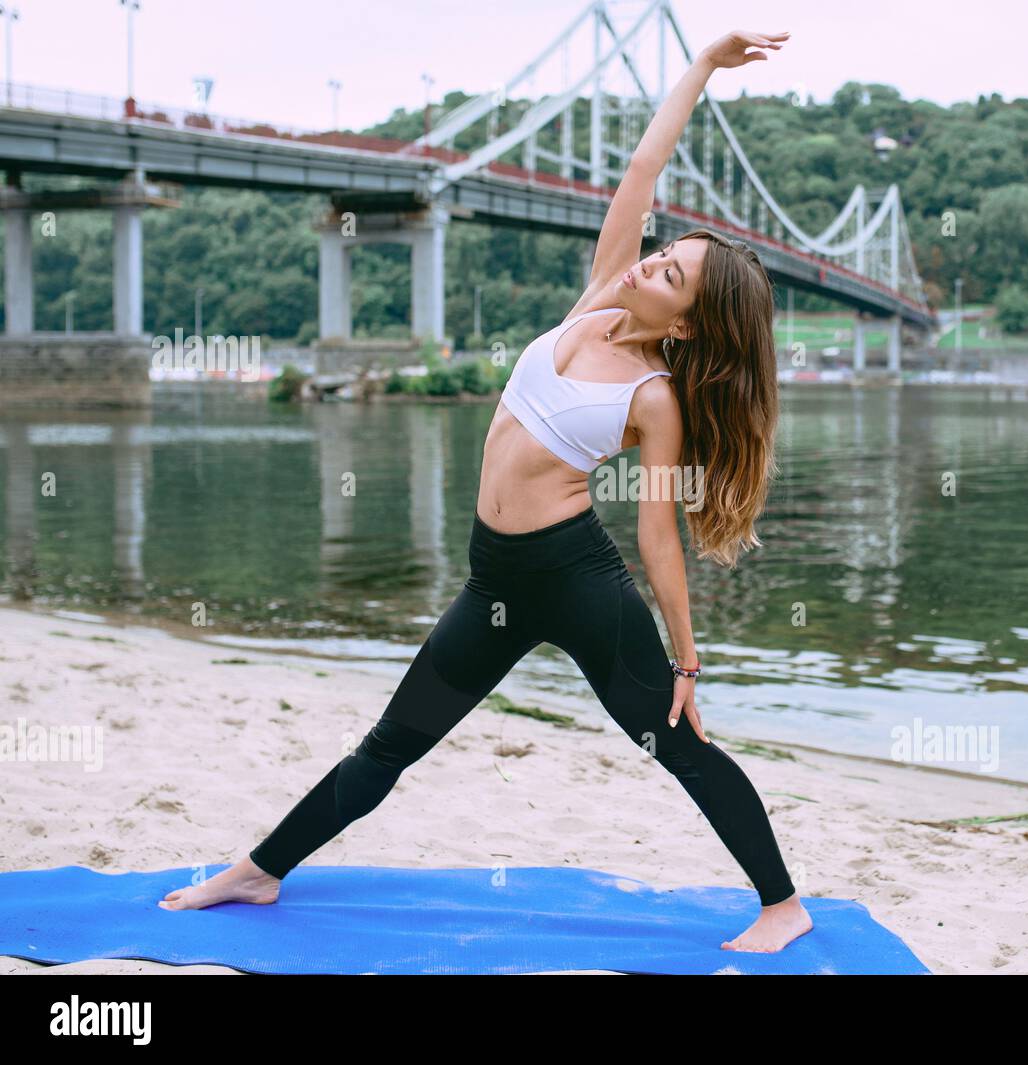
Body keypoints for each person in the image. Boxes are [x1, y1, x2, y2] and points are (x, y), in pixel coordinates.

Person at [160, 28, 811, 954]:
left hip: (577, 581)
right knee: (394, 740)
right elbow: (642, 164)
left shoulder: (655, 399)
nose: (646, 263)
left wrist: (688, 661)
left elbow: (657, 539)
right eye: (661, 251)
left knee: (674, 742)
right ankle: (260, 870)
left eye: (668, 276)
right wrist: (701, 66)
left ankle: (784, 903)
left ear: (688, 324)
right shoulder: (598, 294)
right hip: (494, 580)